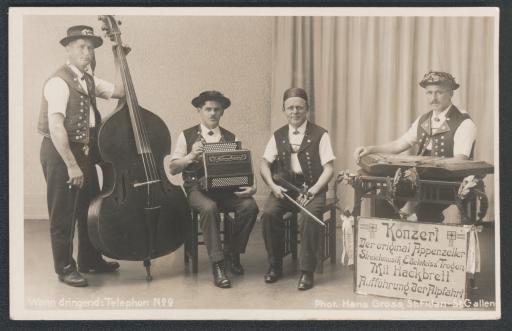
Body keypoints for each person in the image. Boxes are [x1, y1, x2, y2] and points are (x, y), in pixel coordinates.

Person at [38, 25, 127, 287]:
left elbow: (120, 91)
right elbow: (56, 127)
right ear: (68, 48)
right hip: (60, 152)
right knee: (63, 213)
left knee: (88, 208)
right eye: (81, 46)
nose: (87, 52)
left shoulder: (87, 79)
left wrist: (117, 58)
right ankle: (65, 268)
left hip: (85, 151)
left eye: (90, 47)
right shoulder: (58, 81)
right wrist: (71, 165)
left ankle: (90, 260)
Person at [353, 71, 477, 222]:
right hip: (420, 179)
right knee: (383, 205)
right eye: (429, 93)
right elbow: (399, 145)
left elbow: (459, 161)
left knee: (425, 213)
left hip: (448, 183)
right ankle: (396, 242)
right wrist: (371, 149)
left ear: (451, 93)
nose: (433, 98)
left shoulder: (464, 122)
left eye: (439, 92)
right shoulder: (423, 120)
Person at [168, 90, 259, 289]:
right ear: (199, 111)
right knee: (209, 208)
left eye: (217, 109)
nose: (212, 113)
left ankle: (233, 253)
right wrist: (191, 156)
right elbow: (173, 168)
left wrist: (252, 186)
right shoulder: (186, 135)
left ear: (222, 112)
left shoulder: (231, 137)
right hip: (196, 191)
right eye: (208, 109)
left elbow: (243, 168)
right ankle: (218, 266)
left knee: (250, 206)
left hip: (225, 191)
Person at [260, 87, 335, 291]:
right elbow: (264, 164)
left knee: (309, 217)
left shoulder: (320, 134)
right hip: (284, 189)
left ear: (307, 109)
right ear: (284, 110)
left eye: (299, 108)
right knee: (268, 214)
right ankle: (275, 266)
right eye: (290, 108)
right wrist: (272, 186)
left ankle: (306, 271)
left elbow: (329, 168)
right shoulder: (278, 135)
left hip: (312, 188)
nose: (295, 112)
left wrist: (315, 189)